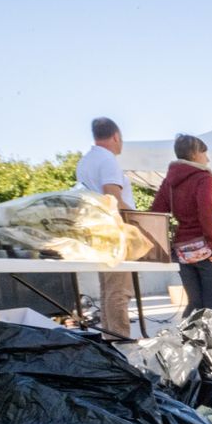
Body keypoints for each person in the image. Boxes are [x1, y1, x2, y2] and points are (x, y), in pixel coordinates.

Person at [150, 134, 212, 317]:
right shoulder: (203, 177)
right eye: (204, 153)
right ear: (194, 154)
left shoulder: (170, 181)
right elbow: (207, 211)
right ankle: (211, 337)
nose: (207, 159)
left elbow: (156, 213)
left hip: (183, 249)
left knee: (195, 304)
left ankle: (186, 334)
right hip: (206, 247)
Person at [75, 117, 135, 339]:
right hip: (114, 232)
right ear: (116, 136)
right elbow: (113, 198)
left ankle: (110, 338)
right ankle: (120, 340)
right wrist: (138, 221)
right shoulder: (108, 160)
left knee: (107, 289)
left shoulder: (85, 162)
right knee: (119, 290)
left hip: (97, 230)